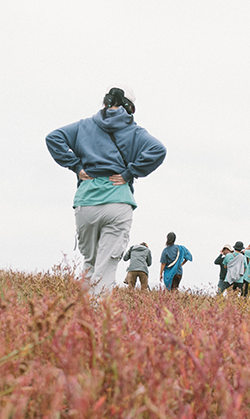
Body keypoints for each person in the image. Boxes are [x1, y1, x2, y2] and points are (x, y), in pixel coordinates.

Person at [45, 86, 167, 295]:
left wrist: (76, 166)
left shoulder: (83, 126)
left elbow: (53, 138)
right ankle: (98, 319)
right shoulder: (135, 131)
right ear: (129, 108)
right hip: (118, 201)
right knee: (106, 268)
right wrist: (129, 173)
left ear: (105, 102)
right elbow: (158, 150)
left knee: (90, 263)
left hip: (86, 201)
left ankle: (81, 317)